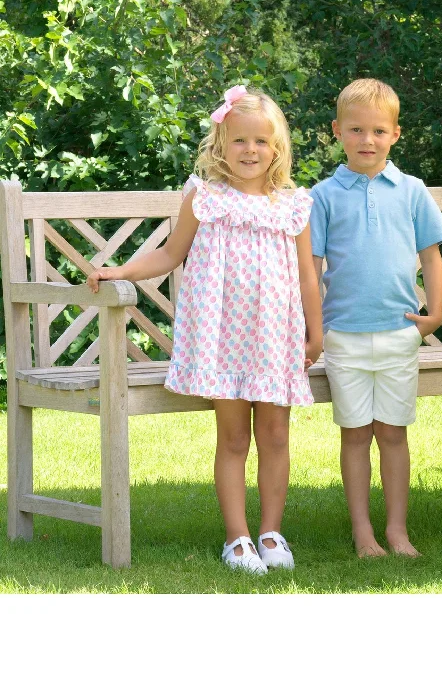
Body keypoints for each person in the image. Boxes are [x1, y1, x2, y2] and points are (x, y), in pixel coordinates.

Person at [87, 85, 323, 574]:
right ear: (220, 143)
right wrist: (121, 271)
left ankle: (272, 533)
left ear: (276, 148)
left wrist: (314, 333)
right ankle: (237, 538)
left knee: (276, 435)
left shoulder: (293, 204)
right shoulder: (205, 196)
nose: (250, 151)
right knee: (235, 439)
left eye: (261, 142)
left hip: (275, 338)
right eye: (239, 141)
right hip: (224, 339)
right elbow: (170, 254)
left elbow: (306, 275)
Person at [309, 78, 442, 558]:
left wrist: (434, 312)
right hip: (343, 336)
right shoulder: (323, 196)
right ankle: (363, 533)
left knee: (392, 433)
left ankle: (396, 530)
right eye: (355, 130)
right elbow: (310, 269)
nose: (366, 140)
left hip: (399, 333)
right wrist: (314, 331)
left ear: (395, 134)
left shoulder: (411, 191)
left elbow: (431, 255)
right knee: (355, 435)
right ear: (337, 131)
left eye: (377, 131)